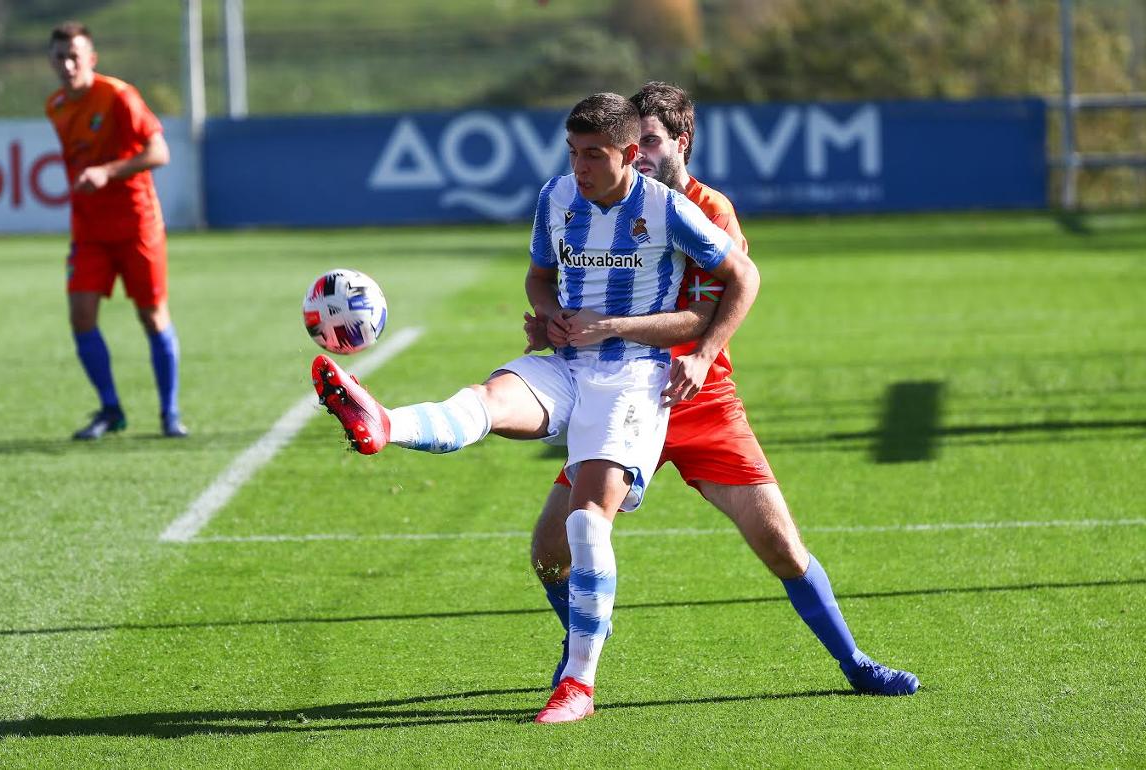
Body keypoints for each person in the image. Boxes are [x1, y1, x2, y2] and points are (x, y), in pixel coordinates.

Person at [314, 92, 758, 724]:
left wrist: (698, 350)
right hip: (566, 365)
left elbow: (745, 277)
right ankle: (386, 423)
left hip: (633, 381)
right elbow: (538, 276)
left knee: (585, 525)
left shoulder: (667, 209)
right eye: (572, 152)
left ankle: (578, 685)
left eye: (593, 154)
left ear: (629, 153)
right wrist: (548, 314)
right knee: (485, 401)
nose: (579, 167)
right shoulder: (556, 197)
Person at [526, 82, 919, 699]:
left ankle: (855, 662)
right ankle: (582, 642)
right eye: (634, 144)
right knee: (550, 550)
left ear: (680, 142)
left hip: (699, 399)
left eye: (651, 142)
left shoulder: (707, 210)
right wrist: (553, 322)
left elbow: (720, 300)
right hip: (617, 395)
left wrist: (704, 355)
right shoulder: (596, 202)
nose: (640, 155)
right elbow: (559, 282)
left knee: (780, 545)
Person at [45, 21, 187, 440]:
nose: (68, 65)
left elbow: (159, 151)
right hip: (89, 230)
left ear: (91, 58)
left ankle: (170, 414)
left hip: (136, 224)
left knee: (152, 316)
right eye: (60, 57)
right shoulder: (55, 105)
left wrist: (108, 172)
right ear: (51, 61)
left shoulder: (119, 97)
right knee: (81, 315)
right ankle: (110, 410)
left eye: (75, 56)